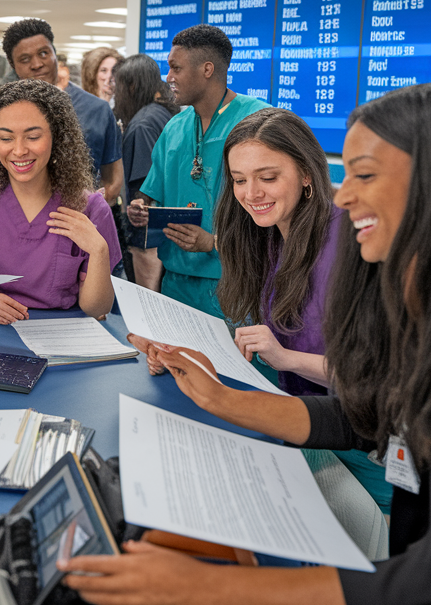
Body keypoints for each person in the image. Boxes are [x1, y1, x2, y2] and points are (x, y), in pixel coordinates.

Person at [65, 82, 431, 603]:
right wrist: (223, 398)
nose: (341, 199)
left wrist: (209, 586)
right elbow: (377, 412)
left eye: (365, 176)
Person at [137, 107, 391, 511]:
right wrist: (188, 358)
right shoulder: (267, 238)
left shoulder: (352, 243)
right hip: (303, 427)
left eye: (268, 178)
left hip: (365, 448)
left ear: (307, 173)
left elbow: (379, 380)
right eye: (239, 180)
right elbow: (262, 347)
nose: (251, 194)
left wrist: (287, 358)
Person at [0, 79, 121, 324]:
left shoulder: (90, 209)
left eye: (33, 137)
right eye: (6, 138)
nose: (19, 150)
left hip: (63, 336)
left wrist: (99, 250)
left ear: (57, 137)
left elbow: (96, 308)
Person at [126, 24, 268, 318]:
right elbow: (153, 193)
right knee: (174, 362)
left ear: (207, 69)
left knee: (237, 364)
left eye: (176, 68)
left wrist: (212, 243)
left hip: (237, 283)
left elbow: (279, 214)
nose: (169, 78)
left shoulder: (259, 123)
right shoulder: (174, 127)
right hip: (176, 283)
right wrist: (142, 208)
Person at [2, 19, 124, 205]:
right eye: (25, 59)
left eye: (43, 53)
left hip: (80, 221)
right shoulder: (2, 113)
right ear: (13, 66)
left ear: (54, 54)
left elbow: (113, 179)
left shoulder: (96, 109)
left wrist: (91, 207)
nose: (37, 64)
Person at [112, 53, 178, 290]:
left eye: (117, 86)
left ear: (131, 86)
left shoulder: (141, 125)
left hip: (149, 242)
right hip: (171, 236)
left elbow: (143, 196)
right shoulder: (165, 112)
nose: (114, 94)